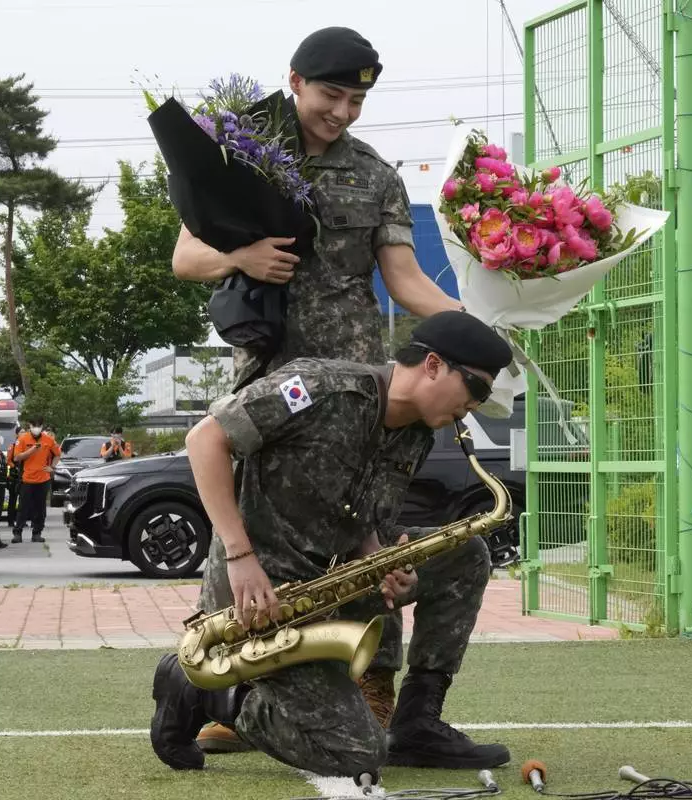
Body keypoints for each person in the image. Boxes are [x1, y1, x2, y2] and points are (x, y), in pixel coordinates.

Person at [171, 25, 465, 754]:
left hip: (362, 379)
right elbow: (184, 257)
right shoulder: (241, 154)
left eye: (358, 99)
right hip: (271, 373)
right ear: (296, 81)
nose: (343, 112)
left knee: (371, 527)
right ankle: (240, 680)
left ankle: (375, 685)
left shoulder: (376, 174)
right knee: (254, 528)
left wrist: (477, 321)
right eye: (333, 94)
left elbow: (403, 280)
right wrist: (238, 255)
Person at [150, 311, 513, 777]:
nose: (475, 405)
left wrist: (380, 564)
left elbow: (362, 514)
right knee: (357, 753)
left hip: (330, 579)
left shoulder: (419, 433)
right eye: (476, 389)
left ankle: (418, 721)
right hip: (259, 594)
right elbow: (205, 440)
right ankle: (210, 692)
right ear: (434, 364)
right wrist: (240, 556)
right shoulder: (320, 387)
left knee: (465, 552)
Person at [9, 416, 61, 544]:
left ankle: (37, 533)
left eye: (39, 426)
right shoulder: (22, 439)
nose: (36, 428)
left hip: (43, 479)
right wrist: (32, 450)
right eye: (34, 426)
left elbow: (58, 454)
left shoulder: (48, 440)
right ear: (29, 426)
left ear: (42, 427)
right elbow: (17, 458)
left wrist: (52, 467)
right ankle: (18, 533)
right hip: (27, 479)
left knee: (40, 508)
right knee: (23, 507)